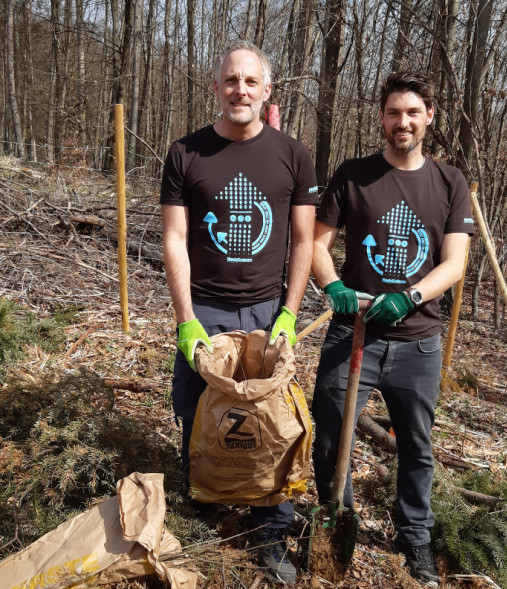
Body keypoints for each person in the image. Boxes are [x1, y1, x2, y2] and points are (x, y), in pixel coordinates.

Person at [160, 40, 318, 585]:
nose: (240, 90)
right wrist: (186, 320)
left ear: (267, 90)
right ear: (217, 88)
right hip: (205, 306)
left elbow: (303, 242)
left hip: (265, 309)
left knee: (271, 420)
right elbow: (174, 238)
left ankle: (270, 531)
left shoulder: (293, 155)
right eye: (231, 81)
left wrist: (289, 314)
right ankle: (204, 506)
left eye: (251, 82)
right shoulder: (186, 153)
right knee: (195, 408)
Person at [311, 71, 474, 586]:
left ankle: (414, 537)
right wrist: (333, 284)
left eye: (412, 112)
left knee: (417, 446)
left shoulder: (449, 183)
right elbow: (317, 244)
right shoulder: (353, 175)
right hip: (351, 332)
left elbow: (454, 263)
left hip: (419, 343)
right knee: (331, 436)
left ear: (429, 116)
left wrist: (410, 296)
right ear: (381, 117)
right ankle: (340, 520)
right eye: (392, 112)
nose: (401, 122)